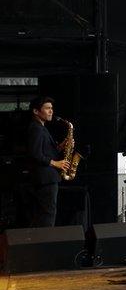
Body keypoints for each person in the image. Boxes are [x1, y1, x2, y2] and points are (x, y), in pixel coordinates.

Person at [25, 96, 68, 227]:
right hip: (45, 179)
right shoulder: (36, 128)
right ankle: (46, 242)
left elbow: (45, 150)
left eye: (52, 108)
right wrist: (55, 163)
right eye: (47, 108)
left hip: (47, 178)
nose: (51, 111)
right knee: (48, 215)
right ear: (36, 111)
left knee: (45, 213)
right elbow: (35, 154)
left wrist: (62, 145)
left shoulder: (41, 127)